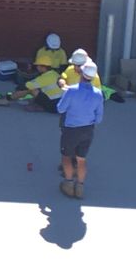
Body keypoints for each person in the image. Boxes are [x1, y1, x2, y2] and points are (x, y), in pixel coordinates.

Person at [55, 61, 105, 198]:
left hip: (71, 129)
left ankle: (69, 184)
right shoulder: (98, 93)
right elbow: (99, 117)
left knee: (66, 157)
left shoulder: (71, 90)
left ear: (81, 74)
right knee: (81, 159)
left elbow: (60, 108)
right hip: (88, 130)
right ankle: (80, 187)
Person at [0, 60, 64, 111]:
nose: (37, 67)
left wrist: (17, 91)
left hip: (53, 105)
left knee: (31, 90)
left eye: (38, 66)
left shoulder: (45, 78)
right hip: (60, 104)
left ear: (43, 67)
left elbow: (26, 86)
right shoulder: (55, 74)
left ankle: (6, 100)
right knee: (38, 89)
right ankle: (38, 105)